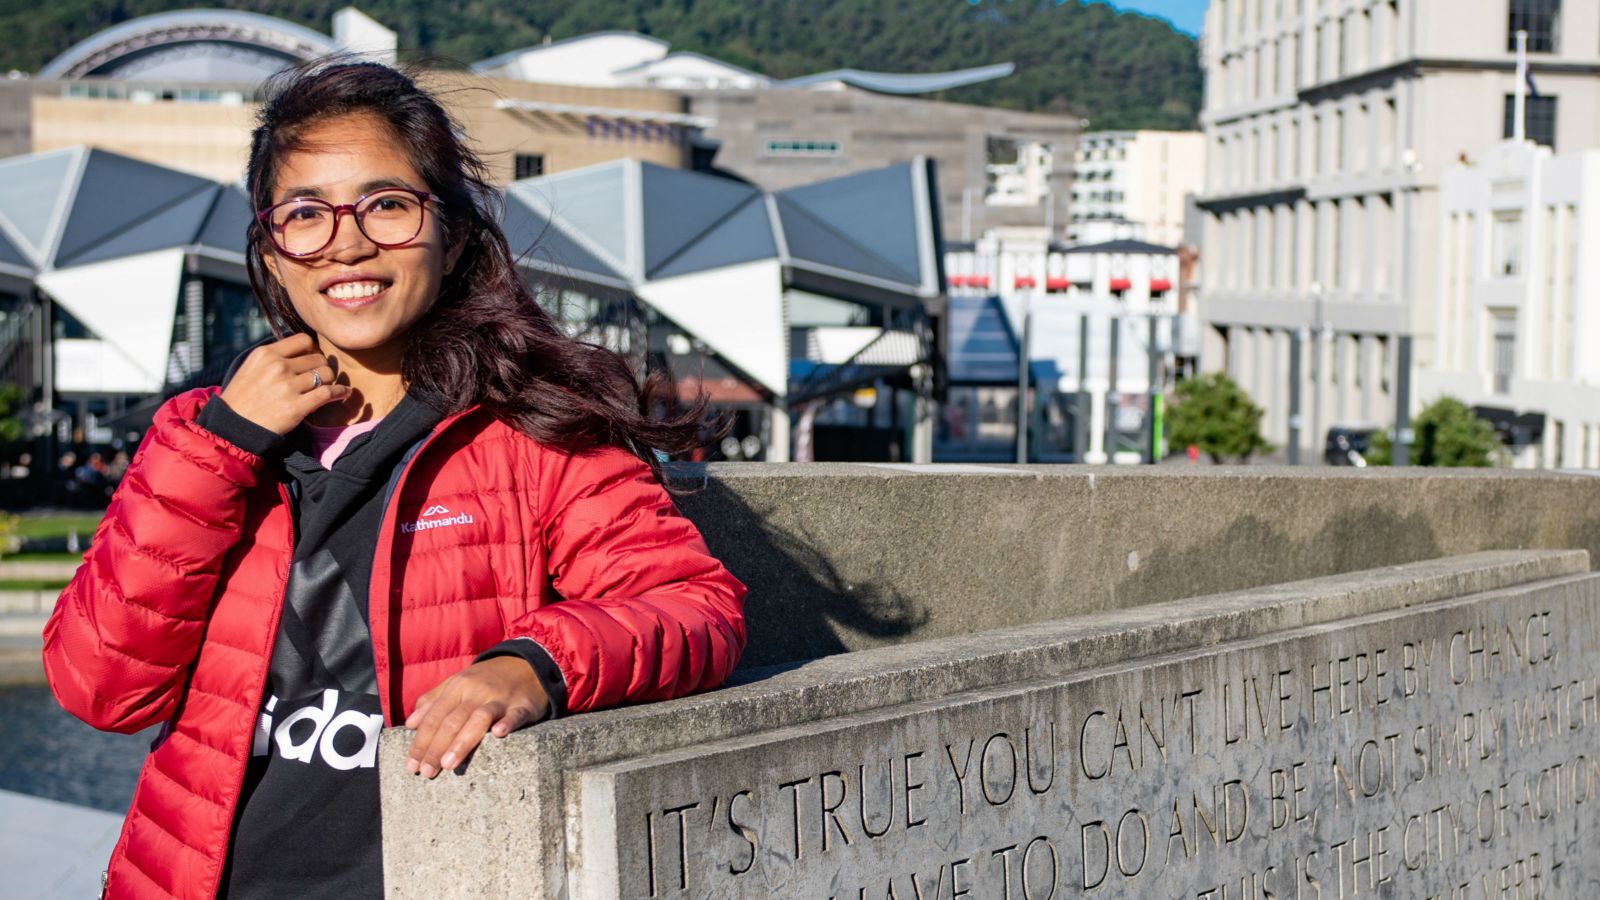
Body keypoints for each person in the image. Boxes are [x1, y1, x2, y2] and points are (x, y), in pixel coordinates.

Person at [42, 61, 746, 900]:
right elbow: (101, 689)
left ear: (451, 238)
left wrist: (534, 667)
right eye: (305, 214)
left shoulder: (533, 433)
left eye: (387, 205)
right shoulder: (200, 434)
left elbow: (695, 607)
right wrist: (221, 447)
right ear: (272, 248)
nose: (346, 241)